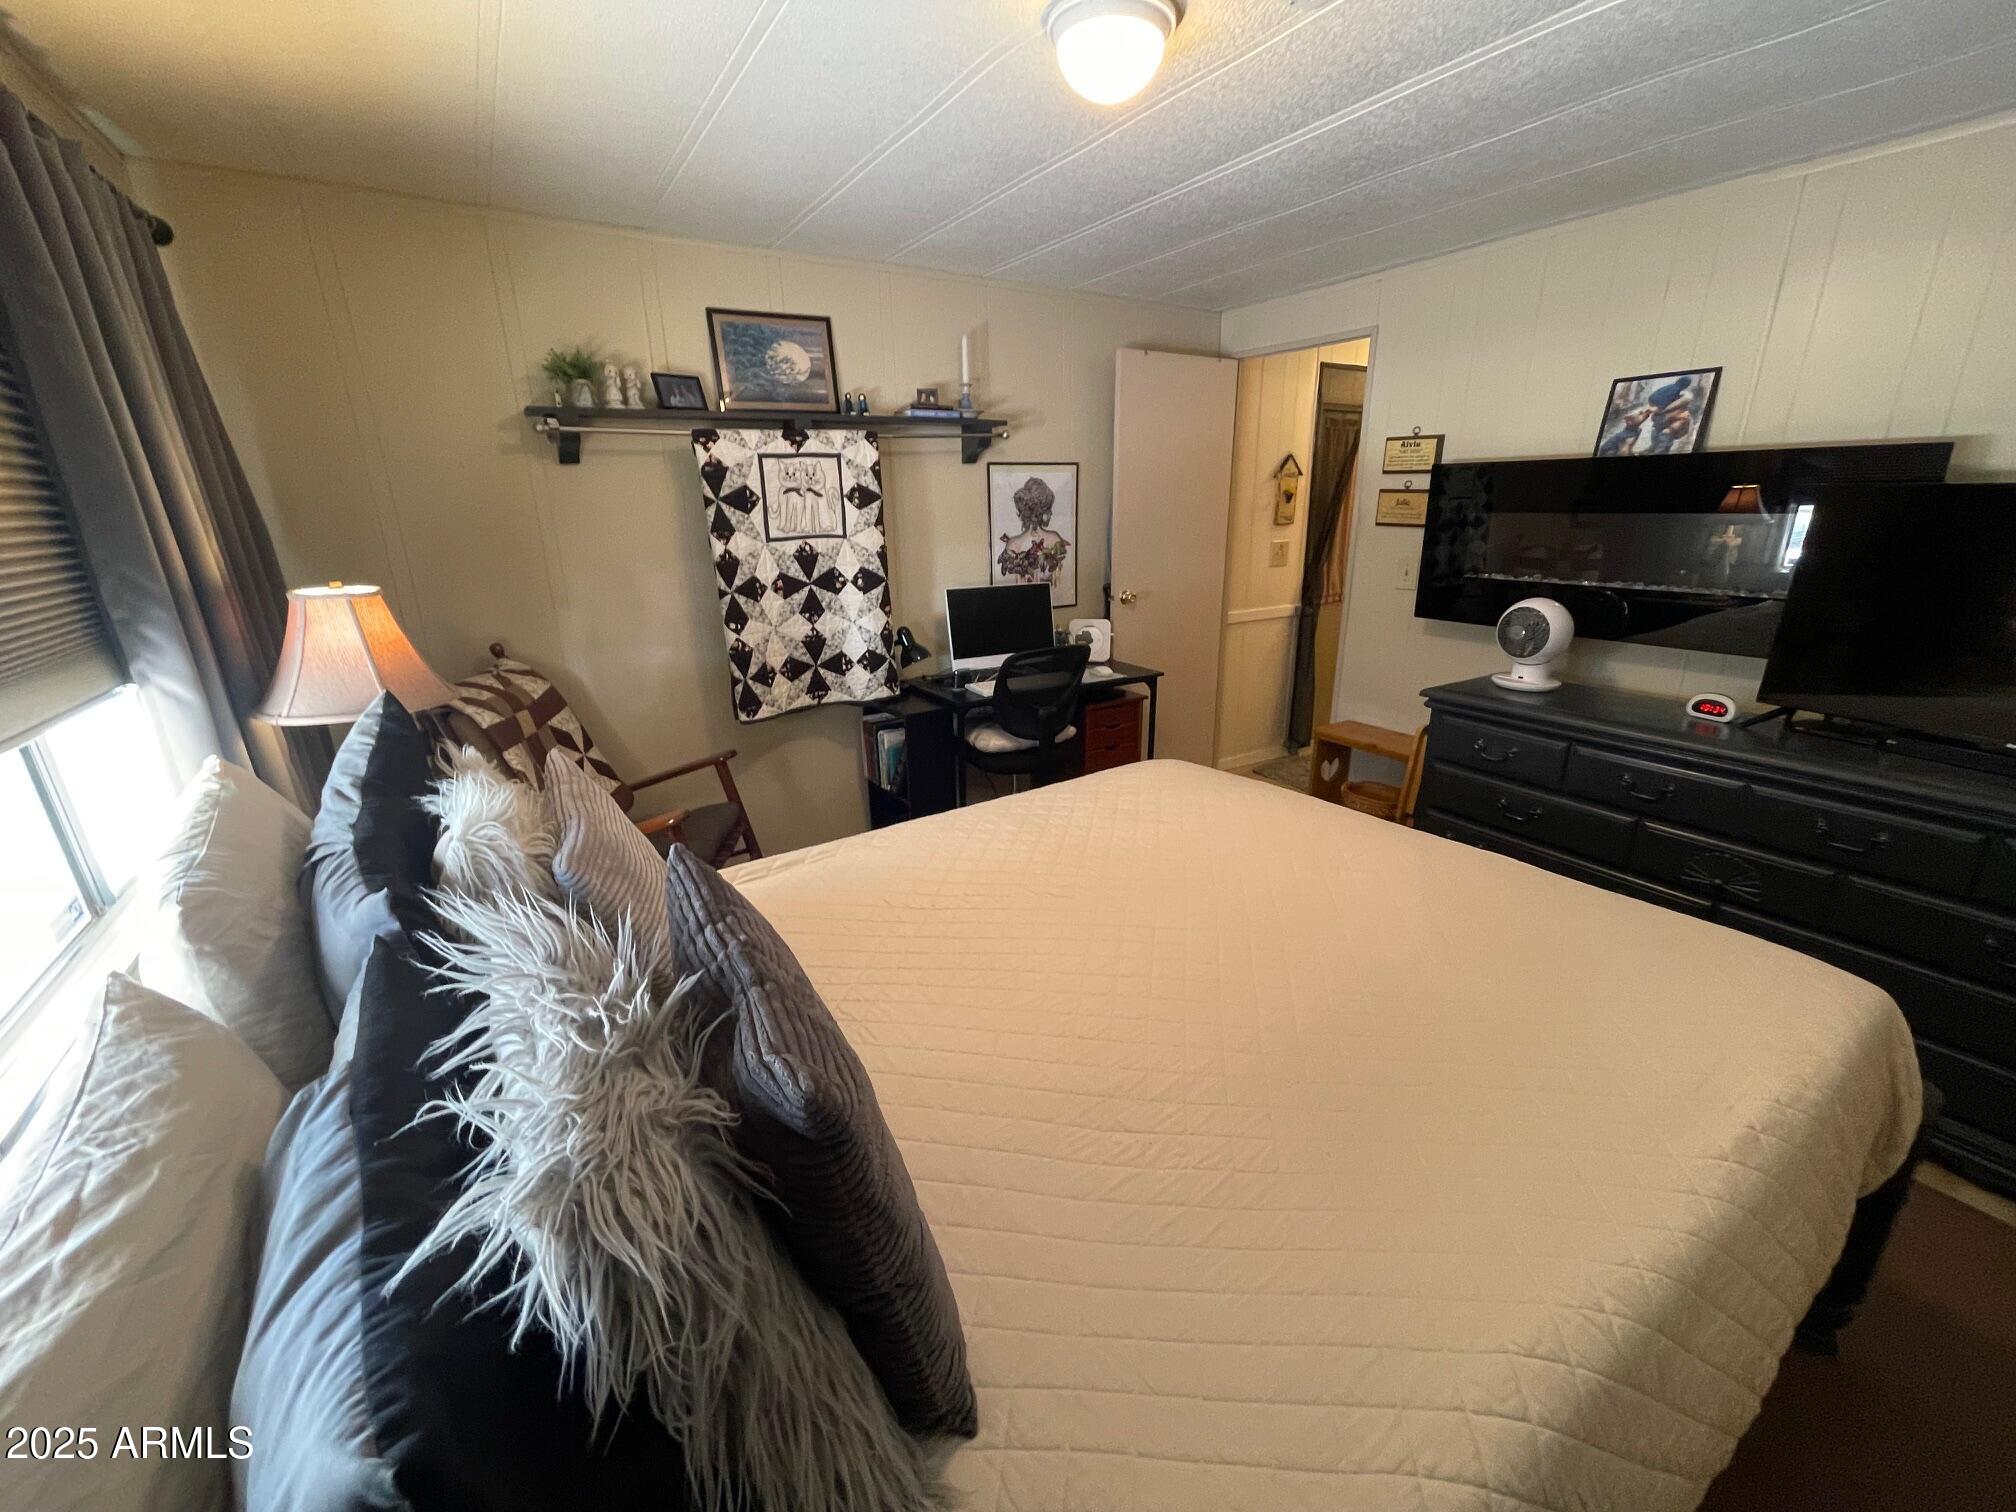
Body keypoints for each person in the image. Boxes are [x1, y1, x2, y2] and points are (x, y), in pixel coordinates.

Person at [996, 475, 1069, 588]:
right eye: (1048, 509)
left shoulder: (1013, 544)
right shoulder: (1054, 539)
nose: (1051, 514)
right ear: (1040, 512)